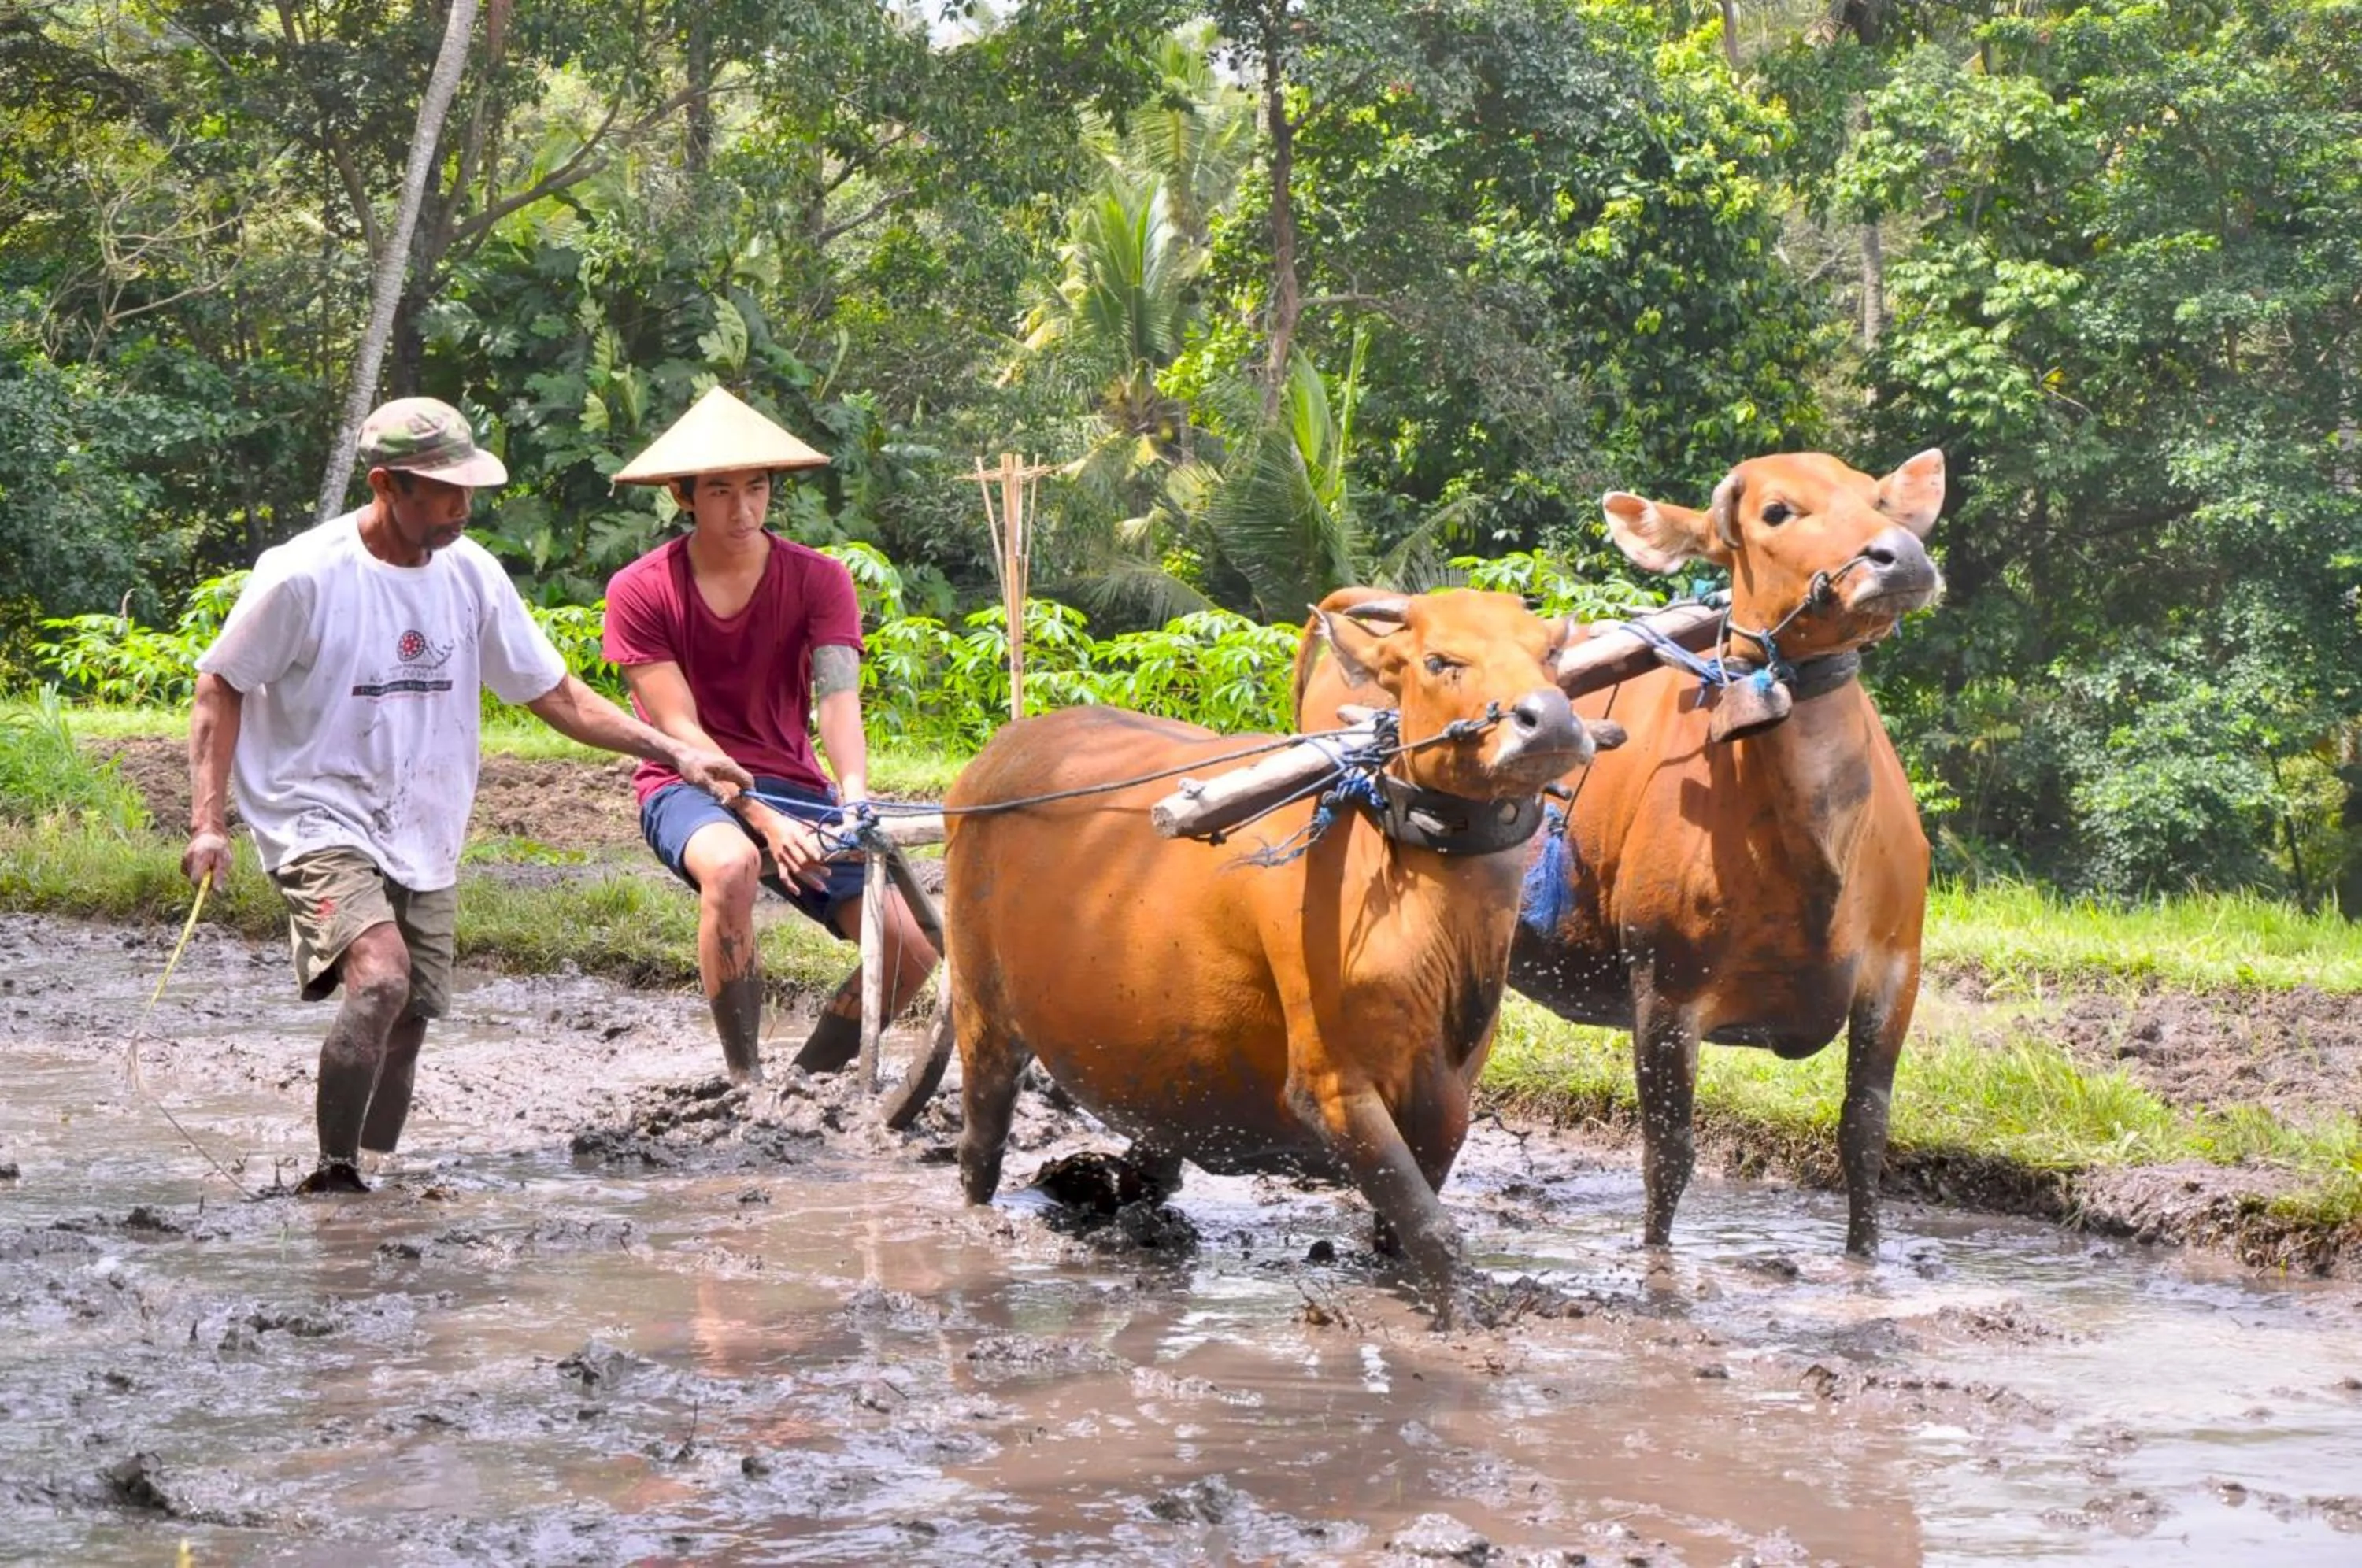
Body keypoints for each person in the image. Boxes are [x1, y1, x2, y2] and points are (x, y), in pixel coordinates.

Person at [181, 397, 752, 1195]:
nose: (461, 507)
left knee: (409, 1017)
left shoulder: (471, 574)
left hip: (424, 821)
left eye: (467, 490)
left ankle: (375, 1174)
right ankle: (335, 1181)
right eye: (441, 492)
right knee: (379, 979)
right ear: (386, 484)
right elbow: (220, 684)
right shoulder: (304, 575)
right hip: (316, 812)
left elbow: (555, 696)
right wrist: (209, 823)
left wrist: (677, 751)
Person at [602, 386, 939, 1084]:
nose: (743, 507)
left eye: (756, 487)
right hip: (686, 784)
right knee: (731, 868)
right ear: (682, 494)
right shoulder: (639, 590)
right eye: (720, 490)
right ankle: (745, 1080)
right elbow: (678, 731)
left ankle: (804, 1082)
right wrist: (758, 815)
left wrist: (852, 802)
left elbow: (838, 699)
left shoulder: (821, 579)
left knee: (911, 947)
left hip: (795, 783)